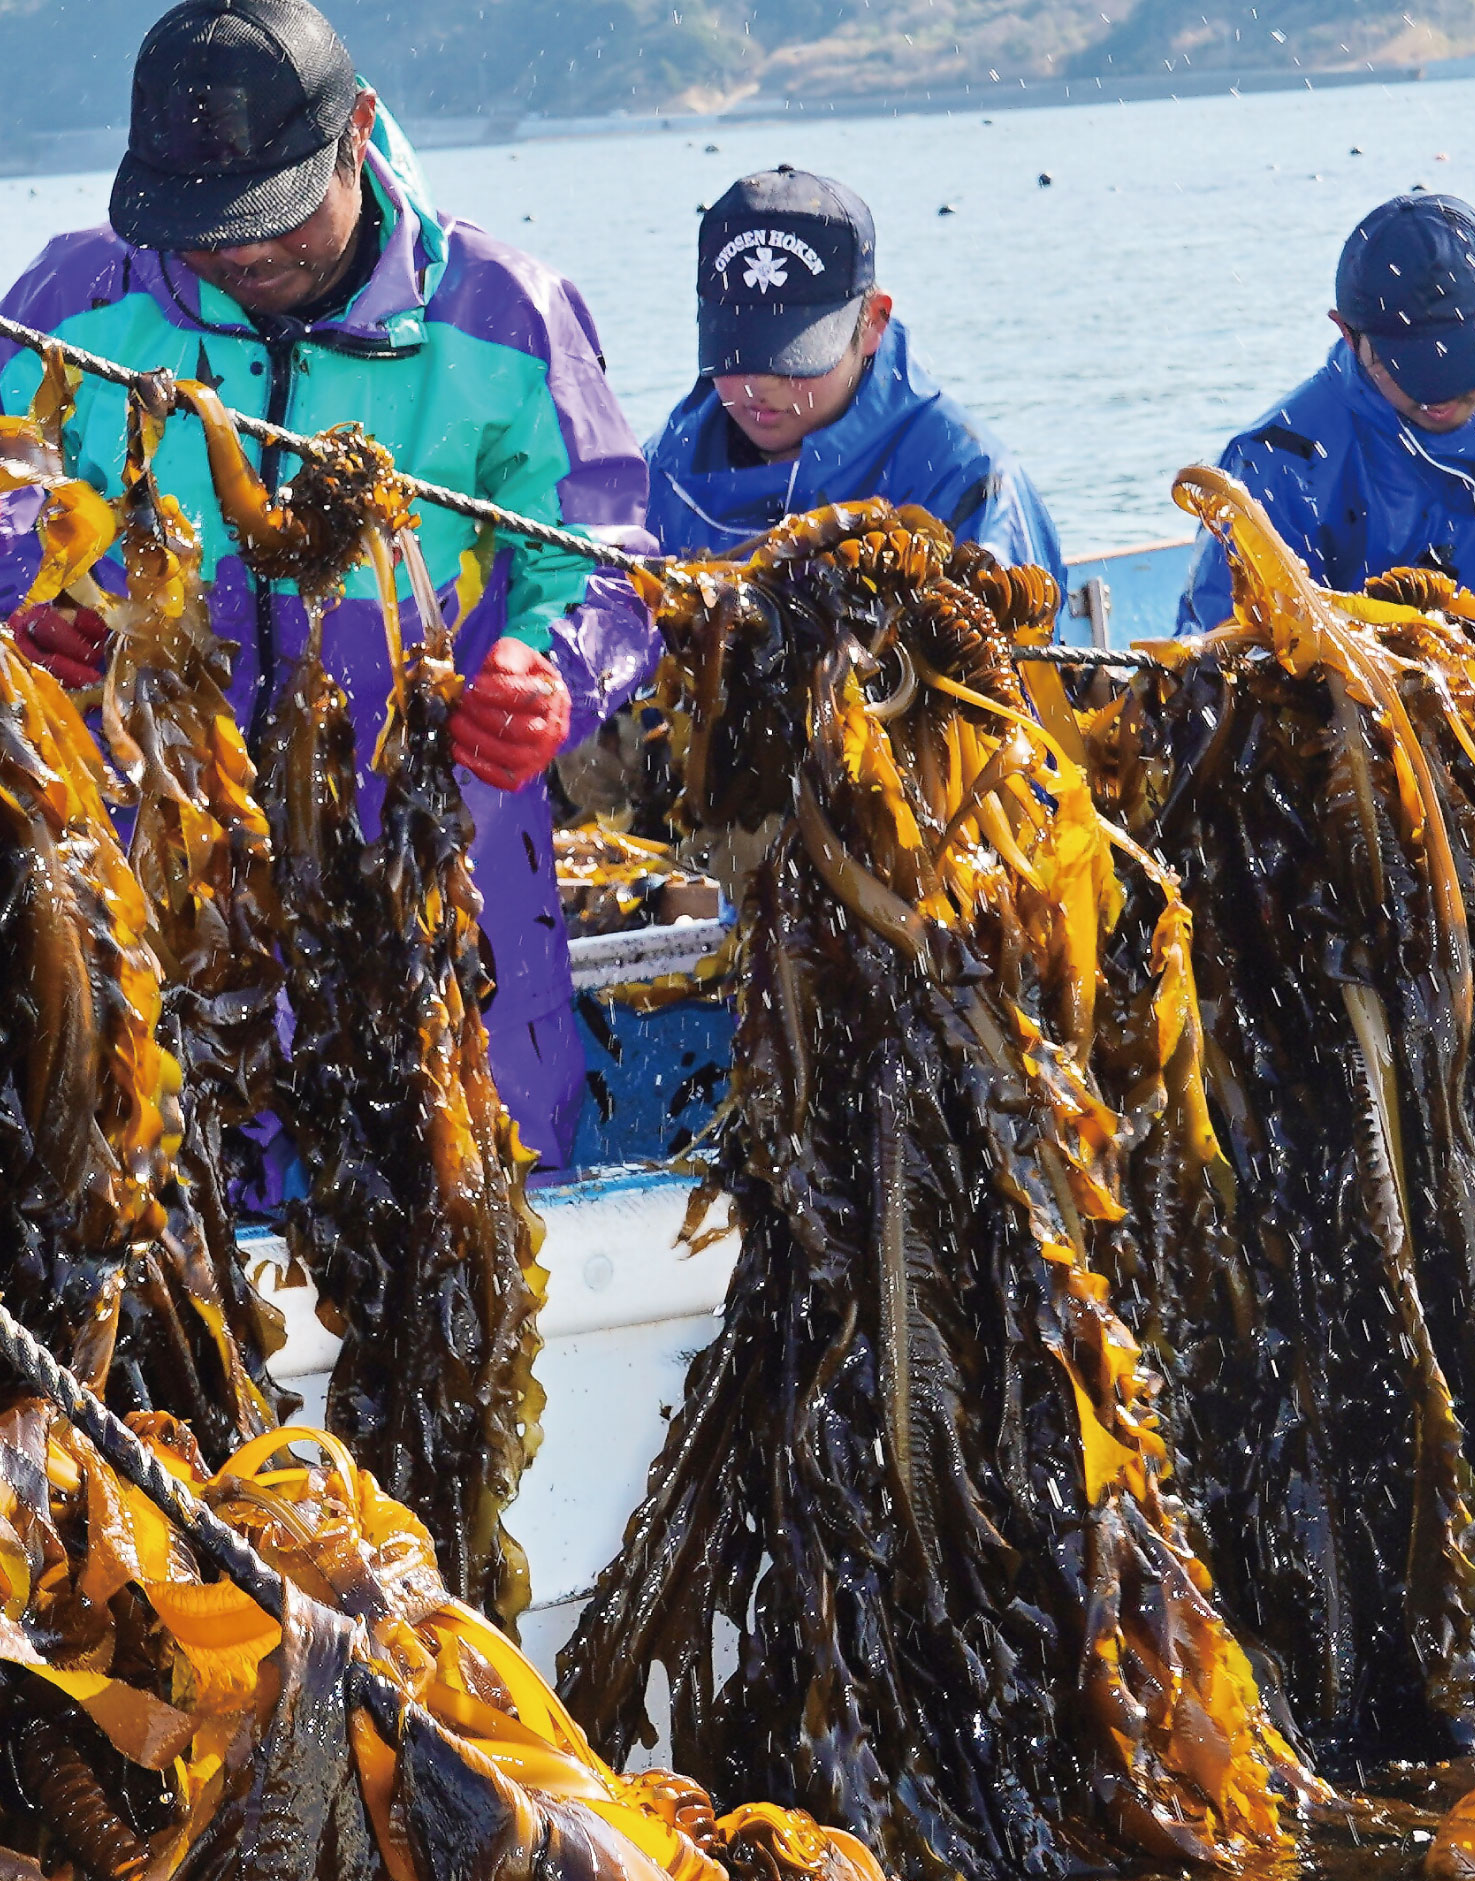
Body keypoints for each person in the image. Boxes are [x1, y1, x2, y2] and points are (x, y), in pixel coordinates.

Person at [0, 0, 659, 1173]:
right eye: (201, 224)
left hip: (439, 856)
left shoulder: (505, 315)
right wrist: (27, 603)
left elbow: (603, 554)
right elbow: (9, 490)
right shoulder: (71, 300)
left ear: (356, 132)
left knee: (472, 1195)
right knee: (138, 1199)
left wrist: (553, 673)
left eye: (273, 213)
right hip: (154, 864)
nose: (239, 254)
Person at [1175, 193, 1475, 632]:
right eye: (1405, 365)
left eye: (1465, 356)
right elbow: (1227, 646)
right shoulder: (1282, 461)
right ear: (1347, 333)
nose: (1437, 396)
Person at [644, 167, 1062, 577]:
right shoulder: (660, 471)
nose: (760, 384)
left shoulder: (966, 478)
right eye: (739, 353)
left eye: (793, 358)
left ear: (873, 322)